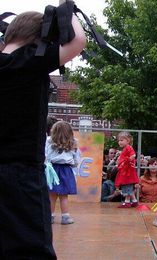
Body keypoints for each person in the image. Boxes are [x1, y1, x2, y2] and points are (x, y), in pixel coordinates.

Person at [0, 0, 86, 257]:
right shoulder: (30, 60)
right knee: (31, 247)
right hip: (21, 173)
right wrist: (66, 6)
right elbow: (78, 40)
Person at [46, 121, 80, 225]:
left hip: (52, 169)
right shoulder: (73, 142)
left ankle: (50, 216)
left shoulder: (49, 141)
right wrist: (73, 164)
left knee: (51, 195)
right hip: (66, 170)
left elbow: (45, 154)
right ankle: (65, 217)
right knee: (63, 195)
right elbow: (76, 160)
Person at [114, 131, 140, 208]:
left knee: (127, 185)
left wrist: (127, 160)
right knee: (128, 186)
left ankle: (127, 202)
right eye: (119, 140)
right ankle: (134, 201)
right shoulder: (126, 148)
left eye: (122, 140)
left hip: (127, 171)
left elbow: (133, 155)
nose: (119, 142)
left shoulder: (128, 147)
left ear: (128, 140)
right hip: (126, 170)